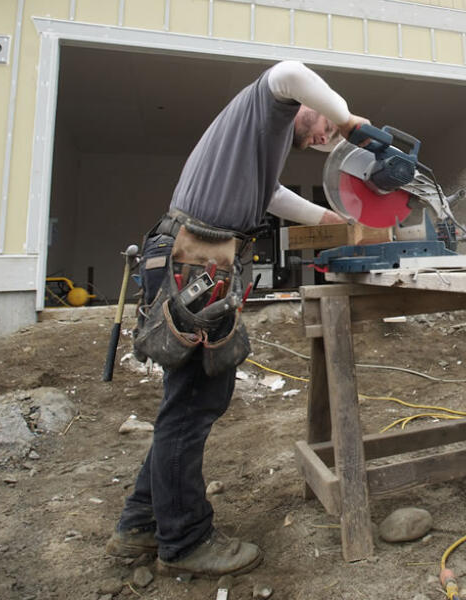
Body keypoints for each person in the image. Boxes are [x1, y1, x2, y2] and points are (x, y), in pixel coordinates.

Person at [106, 60, 367, 576]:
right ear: (306, 108)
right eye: (323, 128)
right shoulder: (269, 105)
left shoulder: (259, 147)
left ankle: (141, 522)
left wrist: (325, 218)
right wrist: (350, 118)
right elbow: (290, 70)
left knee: (192, 398)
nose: (324, 136)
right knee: (193, 403)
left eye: (327, 137)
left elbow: (267, 195)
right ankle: (183, 542)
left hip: (205, 258)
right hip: (195, 257)